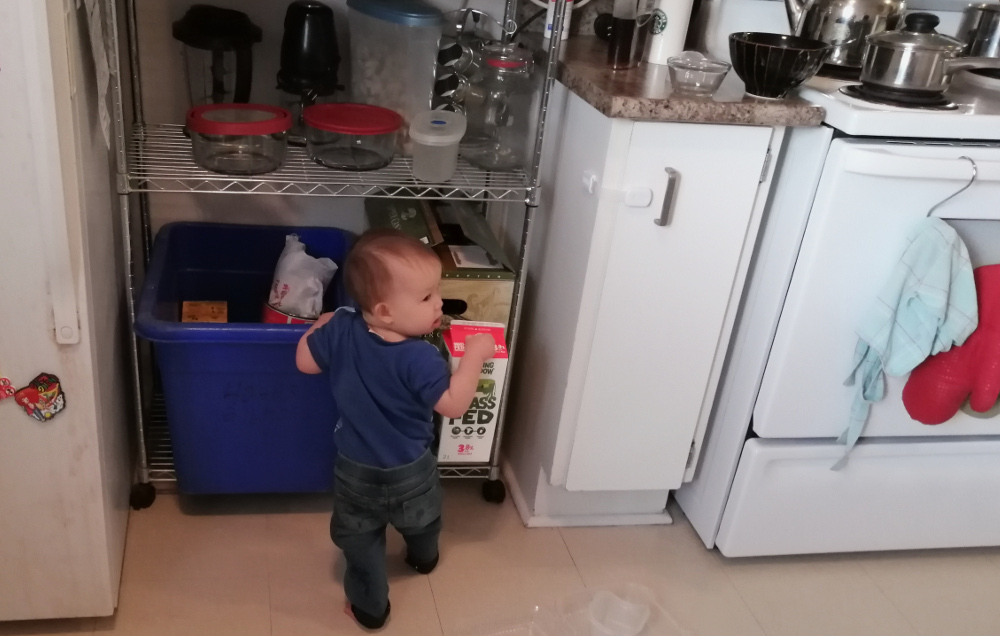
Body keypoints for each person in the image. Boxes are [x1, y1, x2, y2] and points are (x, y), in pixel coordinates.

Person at [296, 228, 496, 630]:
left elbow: (305, 363)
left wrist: (320, 326)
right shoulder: (420, 357)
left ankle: (369, 608)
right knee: (422, 518)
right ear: (386, 311)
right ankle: (423, 557)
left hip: (354, 471)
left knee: (360, 542)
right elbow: (454, 405)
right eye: (426, 297)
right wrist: (475, 355)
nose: (439, 303)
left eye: (435, 291)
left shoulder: (344, 328)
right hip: (411, 470)